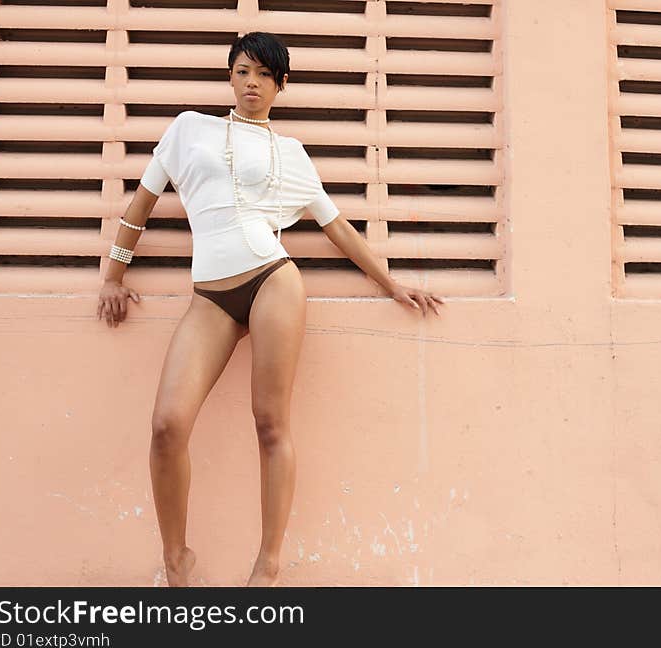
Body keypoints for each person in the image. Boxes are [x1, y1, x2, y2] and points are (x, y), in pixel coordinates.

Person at [96, 32, 444, 587]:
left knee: (270, 423)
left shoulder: (292, 153)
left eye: (262, 73)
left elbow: (338, 228)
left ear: (281, 83)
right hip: (209, 295)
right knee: (166, 426)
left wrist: (391, 284)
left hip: (272, 280)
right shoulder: (189, 130)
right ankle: (175, 557)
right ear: (230, 78)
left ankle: (269, 561)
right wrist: (112, 276)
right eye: (241, 71)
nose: (250, 82)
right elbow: (141, 204)